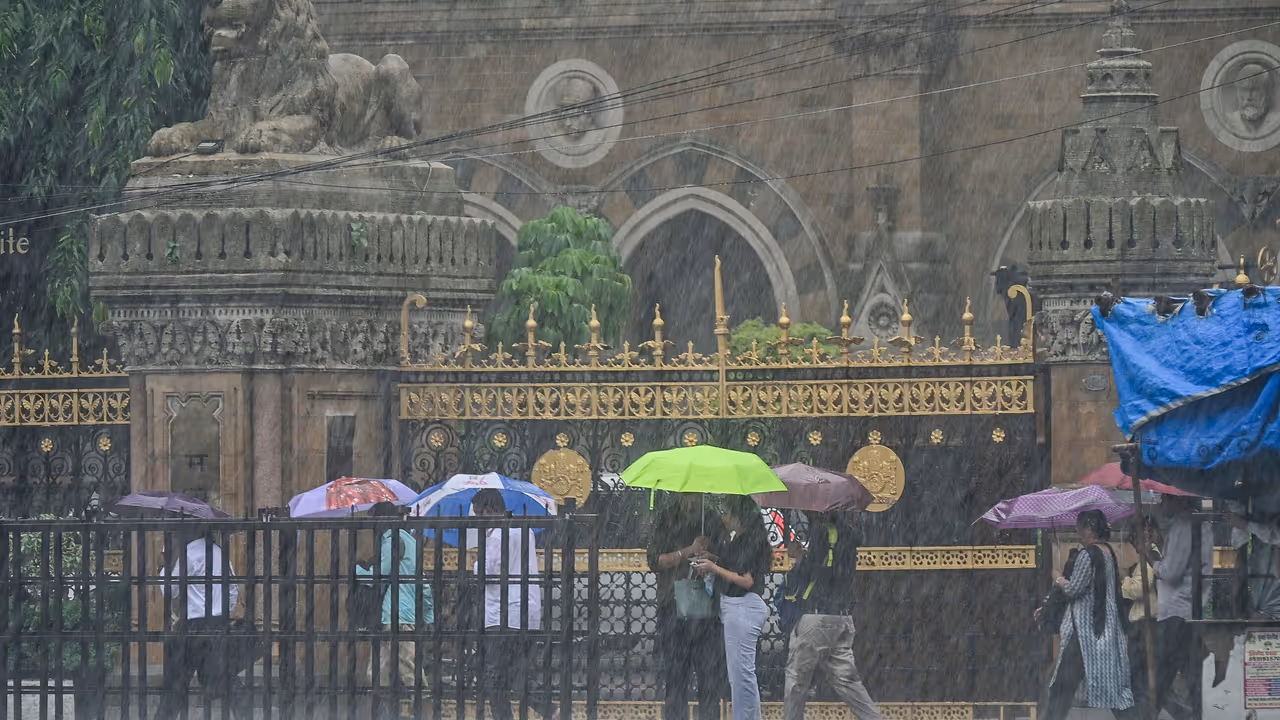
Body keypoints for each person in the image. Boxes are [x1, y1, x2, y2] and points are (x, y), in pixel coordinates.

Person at [1037, 510, 1137, 720]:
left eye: (1080, 526)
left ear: (1089, 528)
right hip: (1104, 629)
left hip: (1084, 632)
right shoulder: (1108, 551)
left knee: (1062, 687)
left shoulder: (1087, 554)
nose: (1077, 531)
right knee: (1112, 688)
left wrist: (1058, 578)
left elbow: (1074, 589)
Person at [782, 512, 881, 720]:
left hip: (817, 617)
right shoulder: (850, 533)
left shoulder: (824, 531)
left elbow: (819, 574)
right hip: (841, 618)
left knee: (796, 683)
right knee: (849, 683)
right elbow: (838, 572)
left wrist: (799, 557)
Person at [471, 488, 558, 720]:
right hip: (526, 612)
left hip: (502, 614)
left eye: (477, 514)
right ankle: (550, 709)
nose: (476, 520)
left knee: (495, 677)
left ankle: (546, 709)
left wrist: (475, 563)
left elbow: (487, 573)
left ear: (488, 511)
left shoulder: (497, 536)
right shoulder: (524, 530)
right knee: (517, 673)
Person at [155, 529, 252, 720]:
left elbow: (170, 590)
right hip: (217, 625)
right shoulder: (220, 554)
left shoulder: (189, 553)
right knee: (223, 679)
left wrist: (164, 565)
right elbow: (233, 590)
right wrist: (222, 613)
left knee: (176, 685)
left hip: (193, 626)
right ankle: (243, 711)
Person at [646, 493, 727, 720]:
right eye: (687, 496)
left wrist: (711, 559)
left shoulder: (710, 519)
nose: (691, 501)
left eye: (695, 496)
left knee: (709, 678)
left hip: (706, 608)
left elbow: (727, 558)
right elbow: (655, 560)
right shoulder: (666, 519)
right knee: (675, 677)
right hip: (673, 605)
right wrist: (686, 552)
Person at [692, 495, 772, 720]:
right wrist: (713, 558)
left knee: (742, 675)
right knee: (739, 674)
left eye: (726, 513)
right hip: (738, 609)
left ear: (737, 517)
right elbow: (735, 564)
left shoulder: (748, 541)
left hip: (742, 608)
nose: (723, 518)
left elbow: (746, 580)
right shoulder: (743, 540)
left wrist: (713, 567)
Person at [355, 501, 434, 697]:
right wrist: (427, 612)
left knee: (402, 668)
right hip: (403, 613)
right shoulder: (409, 540)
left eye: (373, 520)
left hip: (395, 613)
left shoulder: (392, 540)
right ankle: (392, 706)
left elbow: (379, 576)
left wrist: (355, 570)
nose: (372, 526)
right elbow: (422, 580)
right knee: (383, 668)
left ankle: (420, 706)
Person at [1144, 495, 1212, 719]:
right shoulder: (1203, 524)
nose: (1162, 504)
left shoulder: (1183, 525)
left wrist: (1152, 558)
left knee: (1160, 680)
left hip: (1176, 613)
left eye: (1165, 498)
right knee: (1192, 677)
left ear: (1180, 500)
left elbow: (1171, 573)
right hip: (1192, 612)